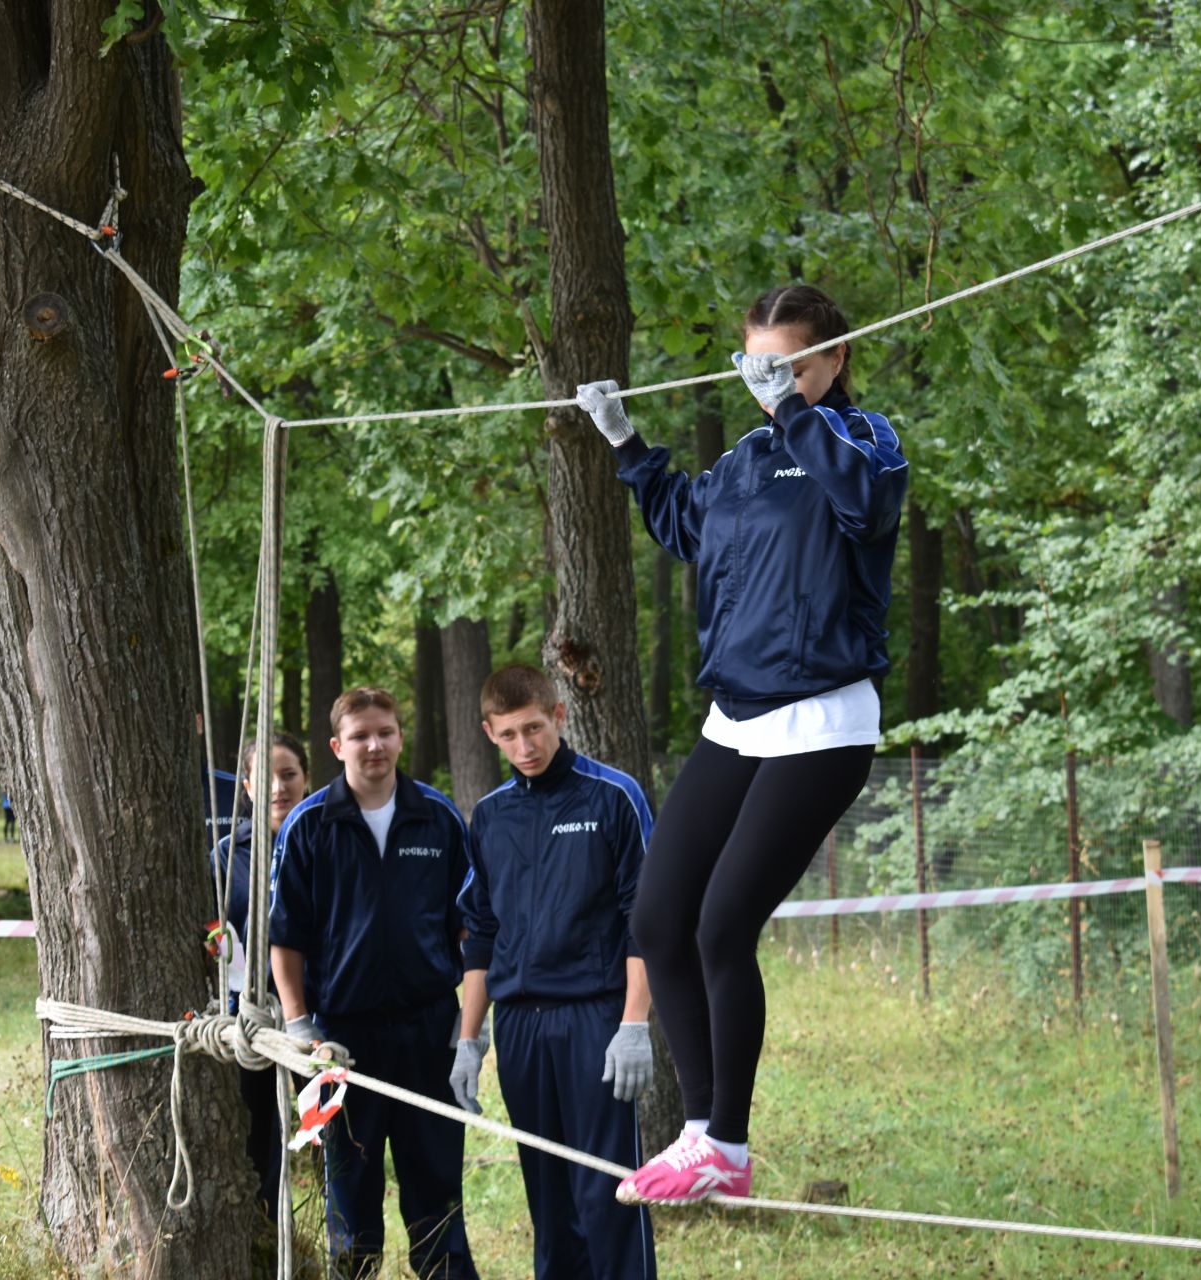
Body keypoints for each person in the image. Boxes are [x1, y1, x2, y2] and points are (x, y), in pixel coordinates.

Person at [573, 284, 907, 1205]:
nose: (770, 382)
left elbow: (865, 507)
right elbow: (688, 525)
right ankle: (697, 1137)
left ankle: (729, 1141)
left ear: (834, 359)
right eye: (756, 363)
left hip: (824, 721)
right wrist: (626, 445)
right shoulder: (748, 457)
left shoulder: (863, 441)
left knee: (723, 925)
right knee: (656, 917)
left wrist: (799, 408)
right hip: (739, 718)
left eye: (788, 362)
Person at [453, 664, 658, 1279]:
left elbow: (643, 917)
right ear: (489, 733)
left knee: (608, 1193)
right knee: (547, 1195)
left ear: (560, 717)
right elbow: (480, 933)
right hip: (520, 1027)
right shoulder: (488, 816)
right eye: (509, 734)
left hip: (594, 1020)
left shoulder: (613, 795)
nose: (525, 747)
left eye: (535, 729)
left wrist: (634, 1024)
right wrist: (468, 1039)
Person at [268, 687, 478, 1279]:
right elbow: (286, 938)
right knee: (351, 1198)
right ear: (337, 746)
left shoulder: (437, 817)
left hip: (427, 1035)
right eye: (360, 736)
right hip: (343, 1041)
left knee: (436, 1192)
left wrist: (466, 1031)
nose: (374, 745)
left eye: (384, 731)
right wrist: (298, 1023)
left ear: (400, 736)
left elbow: (469, 925)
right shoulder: (309, 825)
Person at [209, 729, 310, 1220]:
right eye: (265, 777)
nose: (278, 787)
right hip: (253, 1021)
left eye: (289, 774)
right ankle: (266, 1236)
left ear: (306, 779)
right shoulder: (228, 856)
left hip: (319, 1017)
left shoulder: (326, 843)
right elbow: (213, 932)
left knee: (330, 1131)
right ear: (246, 785)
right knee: (258, 1136)